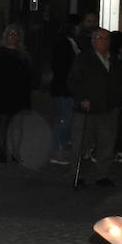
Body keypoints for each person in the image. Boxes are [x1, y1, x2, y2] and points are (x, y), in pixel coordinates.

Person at [68, 27, 122, 187]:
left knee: (106, 142)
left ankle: (102, 174)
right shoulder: (84, 58)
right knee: (81, 143)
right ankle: (78, 174)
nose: (104, 42)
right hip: (87, 109)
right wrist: (82, 98)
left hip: (107, 108)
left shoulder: (114, 59)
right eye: (100, 38)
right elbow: (73, 81)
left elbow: (117, 81)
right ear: (93, 41)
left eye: (106, 39)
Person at [0, 24, 33, 165]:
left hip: (19, 92)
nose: (13, 37)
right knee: (3, 122)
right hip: (3, 91)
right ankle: (3, 152)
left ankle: (15, 152)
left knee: (17, 124)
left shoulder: (24, 54)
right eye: (10, 34)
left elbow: (29, 76)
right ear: (5, 36)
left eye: (15, 34)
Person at [49, 15, 81, 165]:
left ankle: (63, 148)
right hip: (63, 88)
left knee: (67, 119)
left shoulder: (72, 43)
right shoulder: (63, 44)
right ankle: (58, 150)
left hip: (69, 87)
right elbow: (61, 67)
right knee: (63, 119)